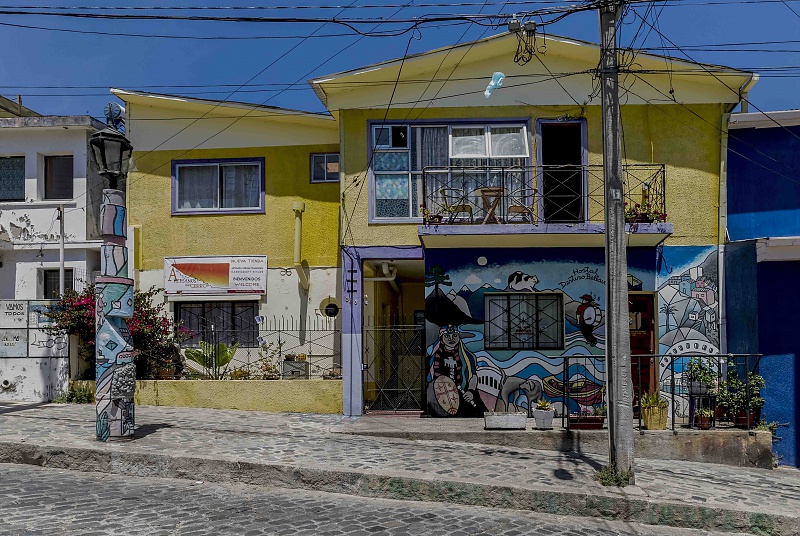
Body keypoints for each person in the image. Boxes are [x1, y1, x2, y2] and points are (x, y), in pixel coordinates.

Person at [427, 324, 486, 417]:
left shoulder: (467, 357)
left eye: (454, 335)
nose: (451, 339)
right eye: (447, 336)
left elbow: (473, 376)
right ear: (441, 338)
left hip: (464, 394)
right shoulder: (433, 359)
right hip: (444, 397)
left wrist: (470, 391)